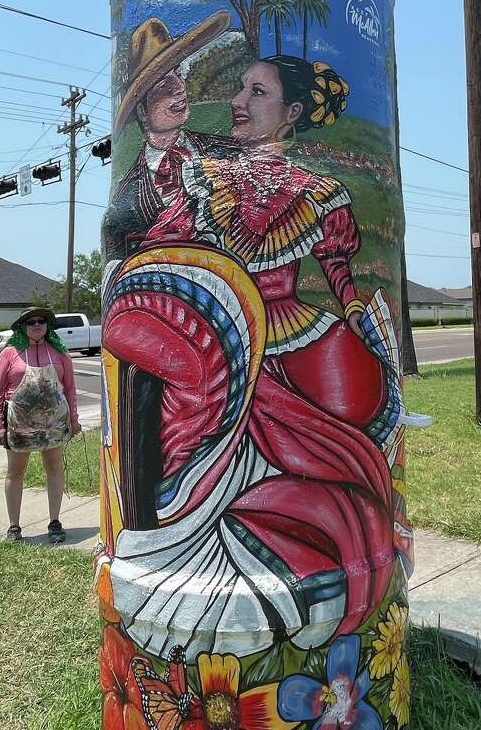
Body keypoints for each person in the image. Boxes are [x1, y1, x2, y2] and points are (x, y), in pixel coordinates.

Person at [101, 56, 405, 661]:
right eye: (240, 87)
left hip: (286, 337)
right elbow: (160, 252)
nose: (239, 100)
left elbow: (340, 275)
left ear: (291, 114)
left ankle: (292, 571)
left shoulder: (319, 193)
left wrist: (365, 324)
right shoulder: (206, 177)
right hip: (219, 334)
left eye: (256, 91)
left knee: (337, 453)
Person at [102, 10, 239, 266]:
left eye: (178, 74)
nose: (179, 88)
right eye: (164, 85)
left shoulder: (229, 153)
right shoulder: (127, 195)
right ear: (142, 111)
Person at [0, 307, 82, 543]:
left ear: (48, 326)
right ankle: (14, 527)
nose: (37, 325)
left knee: (54, 469)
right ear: (23, 326)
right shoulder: (10, 354)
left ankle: (55, 521)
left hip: (54, 423)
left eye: (41, 321)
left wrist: (73, 420)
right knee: (15, 473)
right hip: (19, 423)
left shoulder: (60, 353)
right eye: (31, 322)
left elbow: (70, 388)